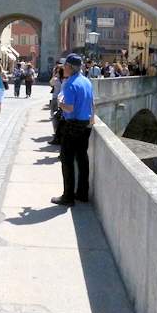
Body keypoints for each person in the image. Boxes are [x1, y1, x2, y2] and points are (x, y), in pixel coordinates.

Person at [51, 53, 94, 207]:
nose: (63, 68)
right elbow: (91, 103)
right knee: (82, 158)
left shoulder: (70, 84)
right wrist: (91, 120)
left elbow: (69, 107)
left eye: (65, 66)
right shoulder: (87, 82)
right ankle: (82, 193)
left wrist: (60, 103)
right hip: (85, 124)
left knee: (67, 160)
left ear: (69, 67)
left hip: (73, 124)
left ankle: (68, 197)